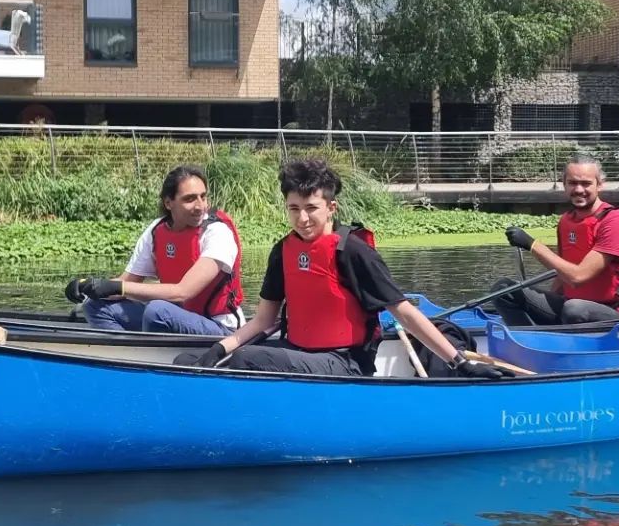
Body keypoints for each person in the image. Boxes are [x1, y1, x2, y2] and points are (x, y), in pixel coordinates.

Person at [179, 157, 497, 378]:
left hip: (343, 363)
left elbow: (405, 313)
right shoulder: (283, 251)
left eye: (311, 209)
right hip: (297, 352)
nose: (302, 219)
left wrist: (459, 362)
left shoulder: (353, 252)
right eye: (293, 209)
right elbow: (263, 320)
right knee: (188, 359)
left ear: (331, 207)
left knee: (248, 359)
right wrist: (220, 347)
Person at [64, 165, 243, 337]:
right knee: (94, 305)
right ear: (168, 203)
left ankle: (150, 359)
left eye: (203, 197)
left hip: (219, 327)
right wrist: (87, 287)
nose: (200, 206)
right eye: (189, 199)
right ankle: (127, 356)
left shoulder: (217, 232)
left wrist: (119, 287)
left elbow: (183, 292)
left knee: (157, 310)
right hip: (174, 316)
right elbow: (125, 282)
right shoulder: (156, 231)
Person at [497, 155, 619, 325]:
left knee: (574, 308)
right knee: (504, 290)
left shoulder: (615, 221)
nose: (579, 189)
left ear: (599, 185)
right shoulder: (567, 221)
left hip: (615, 312)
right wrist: (545, 305)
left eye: (586, 183)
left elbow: (578, 276)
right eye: (573, 183)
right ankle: (527, 341)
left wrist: (532, 245)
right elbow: (562, 274)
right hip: (572, 306)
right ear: (564, 184)